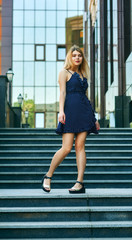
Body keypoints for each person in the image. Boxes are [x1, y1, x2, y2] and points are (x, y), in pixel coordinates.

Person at [42, 45, 100, 194]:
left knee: (80, 147)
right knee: (66, 148)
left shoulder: (82, 75)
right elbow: (62, 93)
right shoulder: (64, 72)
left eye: (79, 55)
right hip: (70, 112)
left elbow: (86, 98)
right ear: (70, 57)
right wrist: (61, 112)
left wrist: (94, 118)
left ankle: (79, 183)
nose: (77, 58)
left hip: (84, 113)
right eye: (74, 55)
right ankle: (48, 176)